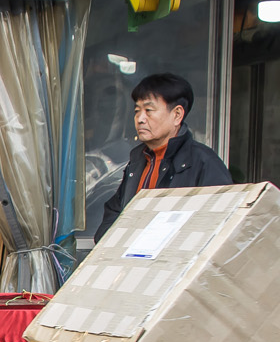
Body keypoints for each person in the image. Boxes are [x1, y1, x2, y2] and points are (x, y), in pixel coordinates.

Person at [98, 71, 232, 236]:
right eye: (137, 111)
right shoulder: (138, 161)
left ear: (177, 115)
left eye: (148, 110)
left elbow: (219, 223)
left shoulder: (204, 162)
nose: (140, 119)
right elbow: (114, 211)